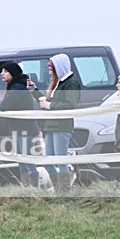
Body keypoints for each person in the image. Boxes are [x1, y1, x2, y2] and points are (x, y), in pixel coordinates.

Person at [35, 53, 81, 192]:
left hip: (62, 126)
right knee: (49, 161)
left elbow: (70, 104)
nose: (49, 72)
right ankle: (58, 188)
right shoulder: (58, 84)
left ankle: (64, 191)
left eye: (51, 69)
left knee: (61, 161)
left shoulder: (71, 84)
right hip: (50, 126)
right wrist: (34, 91)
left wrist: (49, 105)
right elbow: (47, 102)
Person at [0, 62, 40, 187]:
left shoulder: (17, 89)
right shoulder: (17, 87)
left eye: (5, 71)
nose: (2, 74)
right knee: (22, 162)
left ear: (13, 73)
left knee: (27, 162)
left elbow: (3, 106)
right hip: (20, 130)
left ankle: (33, 189)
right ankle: (26, 188)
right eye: (2, 71)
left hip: (24, 131)